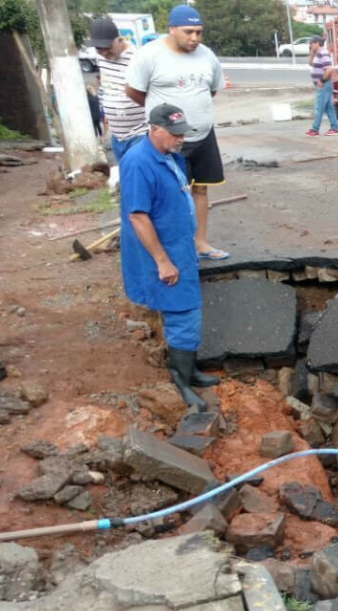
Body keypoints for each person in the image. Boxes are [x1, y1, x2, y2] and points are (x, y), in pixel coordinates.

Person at [119, 103, 219, 411]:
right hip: (162, 251)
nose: (181, 139)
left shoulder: (167, 153)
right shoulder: (138, 162)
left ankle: (190, 371)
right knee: (182, 313)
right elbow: (138, 217)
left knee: (187, 311)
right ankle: (180, 379)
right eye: (175, 134)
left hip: (180, 246)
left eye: (182, 133)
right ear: (155, 129)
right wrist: (162, 261)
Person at [126, 5, 229, 260]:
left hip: (203, 135)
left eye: (199, 32)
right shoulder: (149, 55)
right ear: (171, 29)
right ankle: (173, 250)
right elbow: (134, 91)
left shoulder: (207, 56)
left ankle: (200, 244)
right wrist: (162, 120)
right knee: (170, 193)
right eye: (188, 32)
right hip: (169, 140)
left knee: (201, 189)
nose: (194, 38)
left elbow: (212, 89)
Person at [88, 17, 147, 162]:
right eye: (98, 49)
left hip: (139, 133)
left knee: (137, 178)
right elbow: (107, 86)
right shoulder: (100, 57)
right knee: (125, 177)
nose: (103, 53)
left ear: (120, 40)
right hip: (116, 135)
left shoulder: (138, 58)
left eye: (107, 48)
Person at [306, 36, 338, 137]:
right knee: (328, 107)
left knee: (319, 106)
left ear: (317, 43)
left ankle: (315, 129)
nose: (310, 44)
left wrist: (322, 80)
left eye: (312, 42)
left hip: (324, 84)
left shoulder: (323, 53)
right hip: (322, 84)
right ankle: (334, 128)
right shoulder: (317, 54)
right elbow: (310, 63)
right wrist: (311, 53)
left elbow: (329, 69)